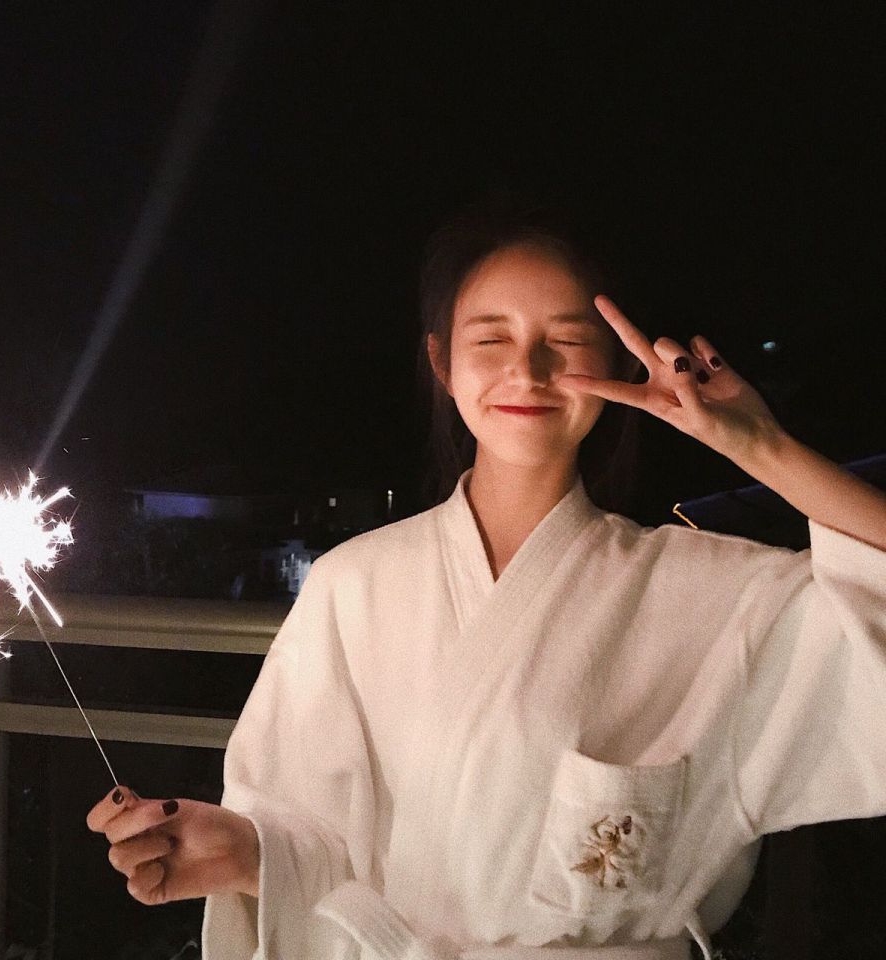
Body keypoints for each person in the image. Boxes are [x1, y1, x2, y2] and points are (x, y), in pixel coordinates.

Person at [88, 202, 886, 960]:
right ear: (442, 361)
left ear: (617, 361)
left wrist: (763, 448)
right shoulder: (351, 587)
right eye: (492, 338)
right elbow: (310, 839)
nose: (527, 370)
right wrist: (246, 851)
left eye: (564, 339)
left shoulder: (705, 594)